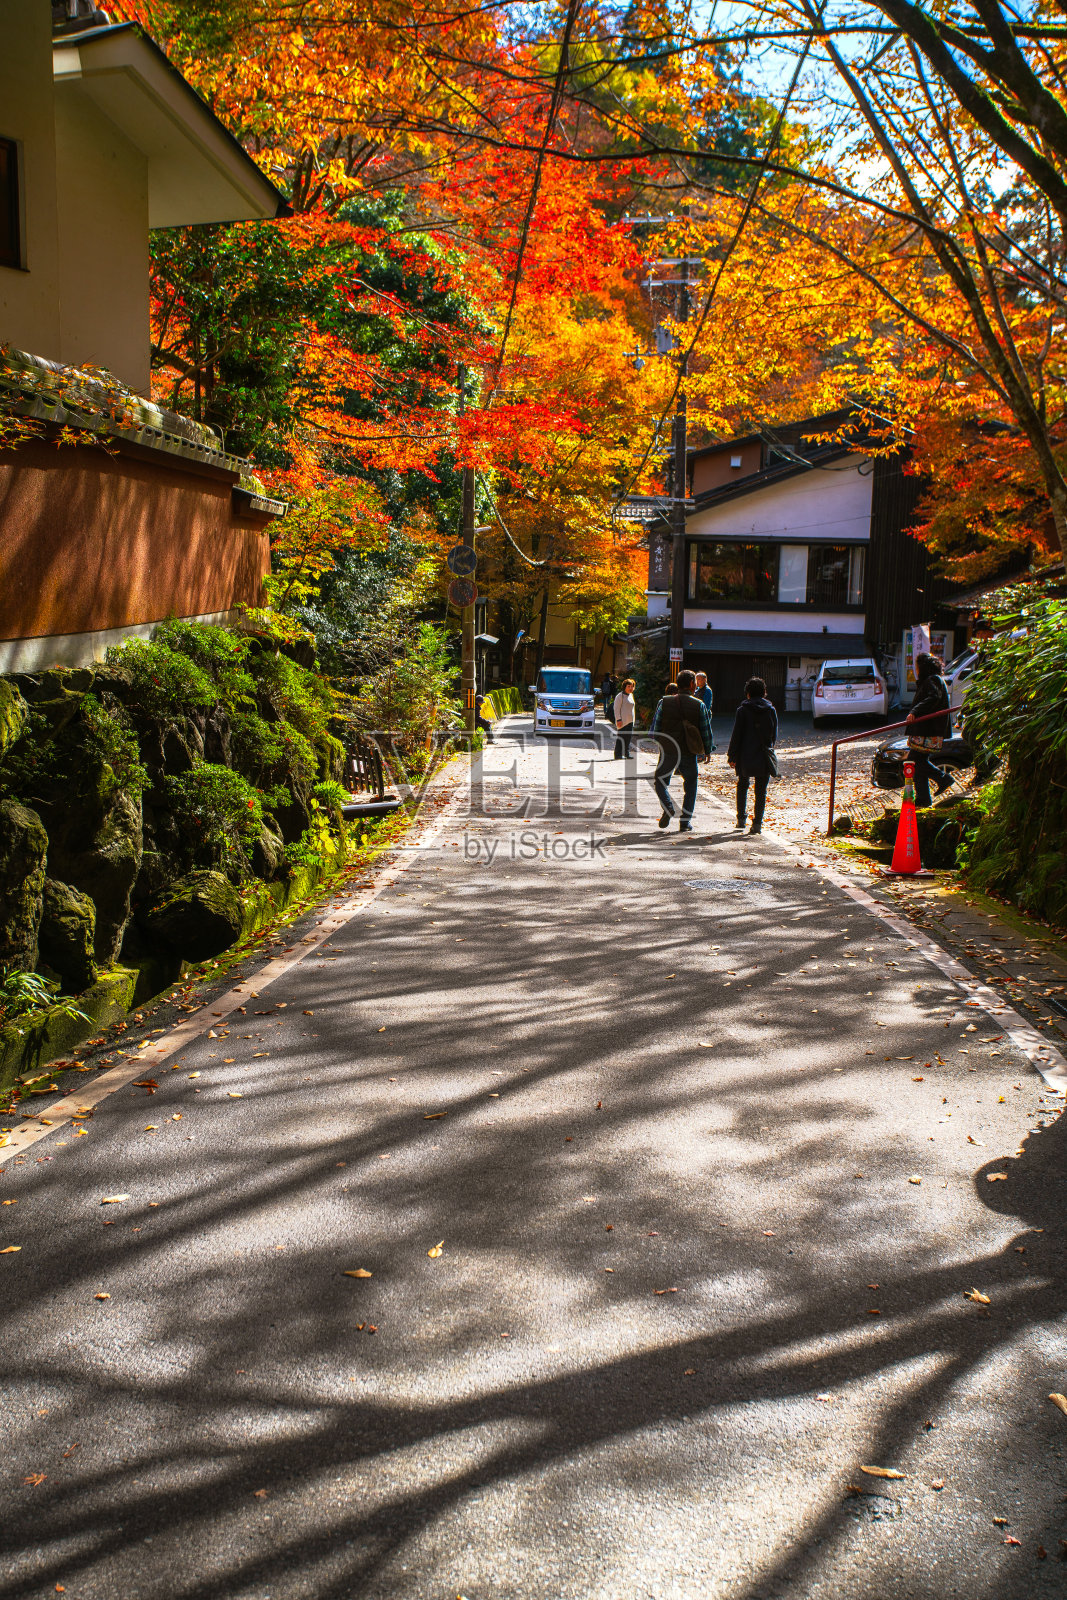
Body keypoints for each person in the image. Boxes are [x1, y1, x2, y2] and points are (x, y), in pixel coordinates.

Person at [649, 668, 713, 832]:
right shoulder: (700, 705)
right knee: (691, 785)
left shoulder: (664, 702)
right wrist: (707, 750)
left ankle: (668, 807)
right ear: (692, 684)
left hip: (668, 750)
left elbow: (654, 730)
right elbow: (706, 730)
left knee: (660, 781)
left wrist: (661, 744)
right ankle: (685, 822)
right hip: (688, 751)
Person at [727, 677, 778, 835]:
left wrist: (732, 755)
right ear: (764, 692)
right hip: (763, 755)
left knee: (743, 785)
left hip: (745, 755)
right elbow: (773, 735)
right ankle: (757, 824)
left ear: (747, 693)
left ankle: (741, 819)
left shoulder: (742, 710)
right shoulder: (771, 710)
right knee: (761, 791)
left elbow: (737, 735)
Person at [907, 650, 952, 806]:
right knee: (918, 762)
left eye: (917, 666)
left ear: (922, 667)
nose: (915, 669)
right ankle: (923, 798)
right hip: (928, 729)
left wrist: (915, 711)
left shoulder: (931, 680)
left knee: (914, 761)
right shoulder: (934, 680)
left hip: (927, 730)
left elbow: (933, 697)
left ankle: (943, 778)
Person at [612, 678, 637, 759]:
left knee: (628, 738)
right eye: (628, 686)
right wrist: (618, 719)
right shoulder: (620, 696)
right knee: (621, 738)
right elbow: (616, 709)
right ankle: (618, 754)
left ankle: (626, 753)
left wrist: (633, 720)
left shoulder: (631, 695)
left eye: (632, 686)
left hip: (630, 721)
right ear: (624, 687)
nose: (630, 688)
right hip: (622, 721)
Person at [694, 671, 715, 751]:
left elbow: (707, 705)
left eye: (699, 679)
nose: (697, 681)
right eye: (696, 679)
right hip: (698, 714)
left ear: (705, 680)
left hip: (704, 714)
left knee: (704, 734)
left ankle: (706, 750)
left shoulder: (707, 690)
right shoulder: (698, 689)